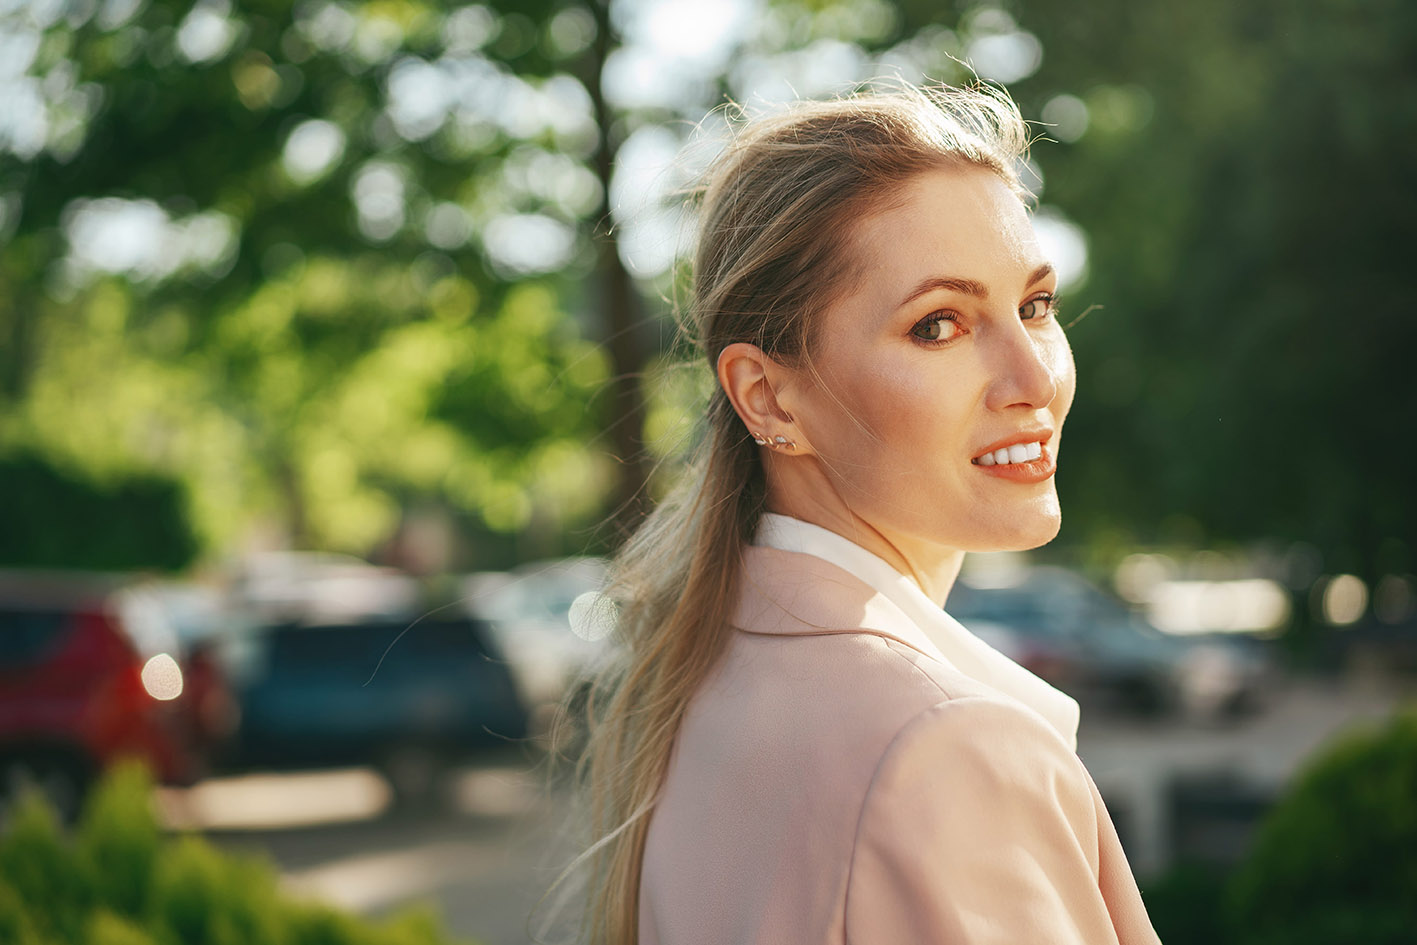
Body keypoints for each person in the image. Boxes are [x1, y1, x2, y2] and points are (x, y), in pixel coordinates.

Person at [576, 81, 1161, 945]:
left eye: (1034, 306)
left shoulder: (702, 676)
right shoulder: (948, 750)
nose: (1034, 379)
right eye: (939, 325)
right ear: (767, 396)